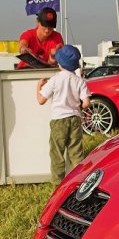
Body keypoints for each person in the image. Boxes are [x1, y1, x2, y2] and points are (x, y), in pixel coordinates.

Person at [36, 44, 91, 185]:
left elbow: (41, 100)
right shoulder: (79, 81)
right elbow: (86, 103)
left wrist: (38, 86)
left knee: (57, 152)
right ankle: (79, 181)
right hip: (75, 119)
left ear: (59, 62)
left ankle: (58, 183)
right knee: (76, 152)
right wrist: (77, 106)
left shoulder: (55, 79)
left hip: (59, 121)